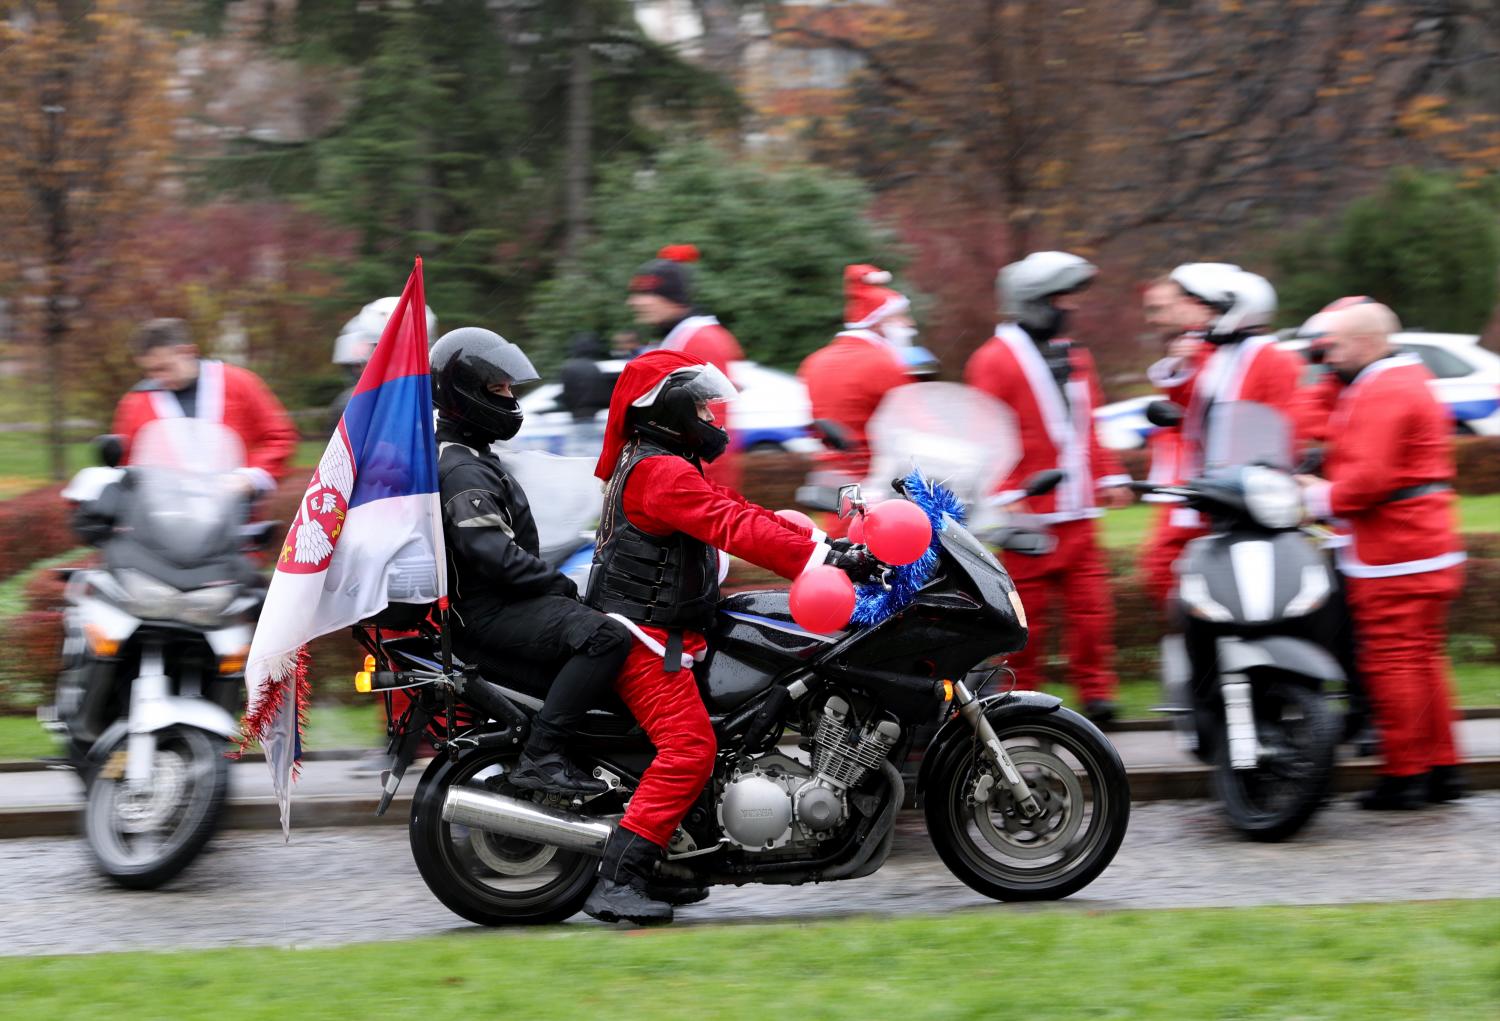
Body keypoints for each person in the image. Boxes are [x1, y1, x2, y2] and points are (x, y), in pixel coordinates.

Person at [582, 350, 877, 924]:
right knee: (690, 748)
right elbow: (732, 527)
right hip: (645, 638)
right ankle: (618, 878)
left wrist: (828, 545)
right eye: (696, 405)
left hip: (670, 628)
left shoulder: (663, 463)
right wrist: (824, 560)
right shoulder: (658, 471)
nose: (709, 416)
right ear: (666, 411)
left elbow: (734, 508)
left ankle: (676, 860)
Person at [431, 327, 633, 796]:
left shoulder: (472, 454)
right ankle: (542, 755)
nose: (509, 399)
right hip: (488, 611)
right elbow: (494, 555)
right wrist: (561, 586)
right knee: (606, 636)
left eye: (509, 388)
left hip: (492, 603)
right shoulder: (462, 468)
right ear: (464, 395)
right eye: (497, 389)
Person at [1294, 301, 1467, 809]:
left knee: (1392, 661)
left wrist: (1312, 496)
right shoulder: (1400, 379)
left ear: (1367, 343)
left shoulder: (1384, 388)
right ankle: (1441, 769)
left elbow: (1369, 479)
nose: (1328, 358)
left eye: (1336, 347)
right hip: (1423, 547)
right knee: (1423, 660)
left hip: (1396, 551)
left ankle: (1404, 775)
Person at [963, 252, 1133, 726]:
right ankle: (1021, 698)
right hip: (1025, 514)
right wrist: (1001, 495)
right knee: (1026, 620)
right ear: (1032, 302)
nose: (1068, 309)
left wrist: (1111, 475)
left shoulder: (1075, 355)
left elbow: (1089, 426)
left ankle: (1099, 695)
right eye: (1059, 300)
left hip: (1078, 514)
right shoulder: (992, 360)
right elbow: (986, 435)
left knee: (1093, 614)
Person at [112, 318, 298, 496]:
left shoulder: (240, 383)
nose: (157, 378)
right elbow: (128, 461)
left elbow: (279, 437)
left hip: (241, 511)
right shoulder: (135, 403)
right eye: (149, 371)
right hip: (167, 517)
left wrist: (250, 477)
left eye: (164, 368)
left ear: (189, 352)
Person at [626, 244, 745, 491]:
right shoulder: (677, 338)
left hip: (696, 487)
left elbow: (712, 427)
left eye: (646, 294)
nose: (635, 302)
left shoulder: (700, 340)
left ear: (673, 299)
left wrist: (694, 489)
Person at [1136, 275, 1214, 608]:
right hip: (1181, 482)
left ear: (1190, 304)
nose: (1152, 319)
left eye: (1160, 309)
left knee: (1161, 563)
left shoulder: (1204, 350)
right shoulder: (1188, 349)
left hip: (1194, 481)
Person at [797, 264, 918, 479]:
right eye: (900, 317)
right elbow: (915, 422)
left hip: (829, 477)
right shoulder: (884, 364)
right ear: (878, 321)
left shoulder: (814, 361)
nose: (909, 324)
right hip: (874, 480)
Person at [558, 332, 614, 422]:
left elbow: (566, 394)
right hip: (602, 414)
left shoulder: (570, 368)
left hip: (578, 415)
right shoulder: (599, 367)